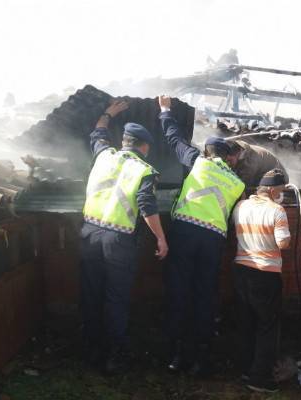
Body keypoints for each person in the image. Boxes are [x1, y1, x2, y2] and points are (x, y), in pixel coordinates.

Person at [157, 95, 246, 376]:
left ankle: (175, 355)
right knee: (204, 297)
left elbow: (174, 139)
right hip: (213, 241)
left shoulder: (197, 162)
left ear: (209, 153)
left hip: (184, 233)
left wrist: (164, 111)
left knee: (178, 292)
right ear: (229, 159)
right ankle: (201, 359)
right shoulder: (238, 183)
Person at [80, 100, 168, 374]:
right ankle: (113, 357)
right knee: (115, 299)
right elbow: (146, 205)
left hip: (88, 235)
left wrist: (108, 113)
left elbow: (98, 133)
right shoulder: (144, 171)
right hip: (118, 242)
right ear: (144, 147)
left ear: (124, 141)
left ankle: (91, 352)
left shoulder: (104, 154)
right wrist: (161, 239)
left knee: (91, 295)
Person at [231, 169, 290, 393]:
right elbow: (283, 243)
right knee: (267, 327)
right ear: (273, 190)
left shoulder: (240, 206)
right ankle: (259, 378)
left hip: (240, 270)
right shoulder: (277, 210)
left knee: (246, 323)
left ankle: (245, 369)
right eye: (281, 191)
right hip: (265, 274)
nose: (281, 194)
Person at [224, 140, 289, 188]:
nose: (227, 163)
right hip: (261, 175)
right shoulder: (237, 148)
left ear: (238, 154)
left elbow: (242, 186)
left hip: (278, 180)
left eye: (230, 160)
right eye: (226, 160)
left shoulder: (250, 162)